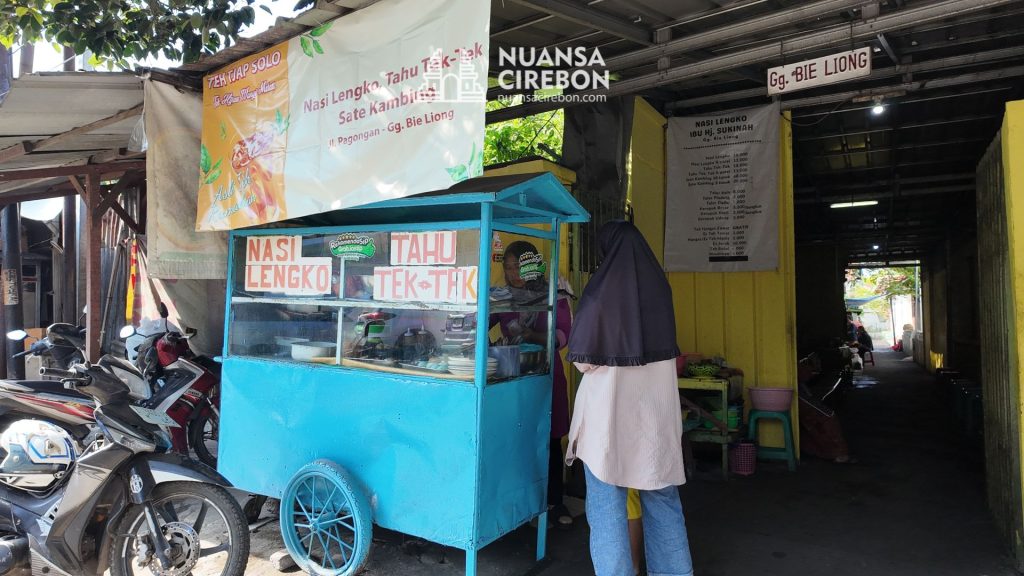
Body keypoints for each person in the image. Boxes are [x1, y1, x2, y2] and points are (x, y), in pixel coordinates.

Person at [565, 221, 692, 576]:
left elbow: (583, 362)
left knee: (607, 511)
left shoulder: (598, 295)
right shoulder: (661, 290)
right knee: (664, 503)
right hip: (656, 421)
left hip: (609, 423)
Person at [491, 240, 575, 527]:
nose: (513, 273)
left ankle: (555, 502)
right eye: (508, 267)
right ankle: (522, 503)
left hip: (545, 375)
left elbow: (563, 336)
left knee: (549, 438)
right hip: (511, 378)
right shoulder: (502, 295)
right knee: (518, 440)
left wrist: (529, 334)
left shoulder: (553, 293)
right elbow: (483, 320)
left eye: (518, 266)